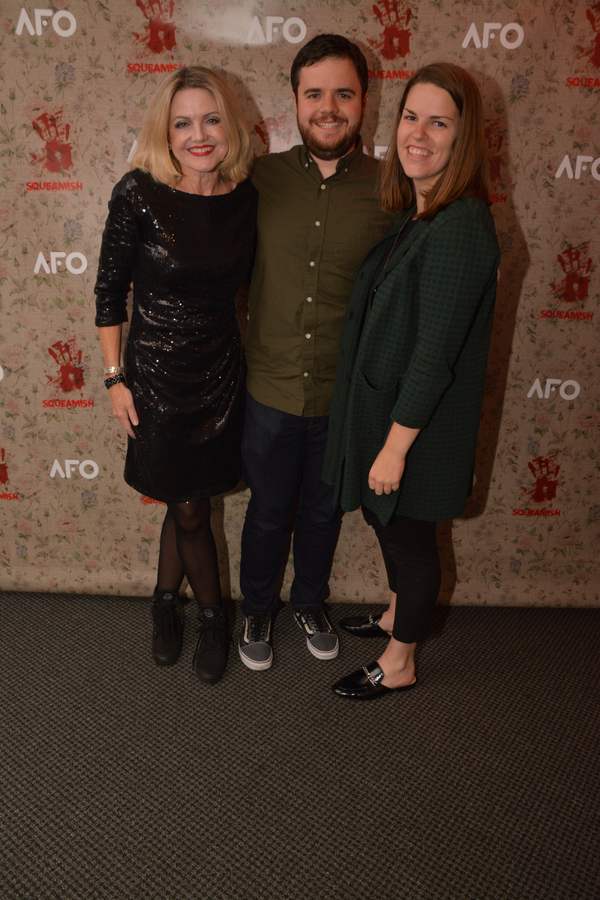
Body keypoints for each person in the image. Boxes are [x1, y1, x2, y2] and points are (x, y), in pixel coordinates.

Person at [323, 62, 501, 699]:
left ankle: (400, 663)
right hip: (390, 418)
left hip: (415, 430)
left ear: (463, 138)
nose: (417, 133)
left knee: (413, 542)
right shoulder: (423, 215)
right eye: (410, 116)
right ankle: (398, 614)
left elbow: (433, 359)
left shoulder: (460, 229)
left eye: (439, 122)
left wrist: (394, 449)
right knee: (389, 527)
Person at [94, 66, 257, 685]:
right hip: (156, 380)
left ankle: (165, 600)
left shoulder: (247, 198)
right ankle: (213, 615)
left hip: (221, 374)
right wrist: (115, 379)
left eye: (211, 118)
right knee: (190, 508)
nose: (199, 134)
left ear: (230, 126)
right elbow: (109, 291)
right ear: (165, 130)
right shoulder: (138, 192)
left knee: (191, 499)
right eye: (183, 122)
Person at [238, 34, 395, 672]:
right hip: (268, 390)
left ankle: (309, 601)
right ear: (295, 102)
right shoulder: (258, 179)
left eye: (343, 93)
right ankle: (255, 606)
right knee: (269, 511)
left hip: (343, 395)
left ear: (364, 100)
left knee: (325, 512)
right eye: (314, 94)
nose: (328, 107)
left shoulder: (392, 188)